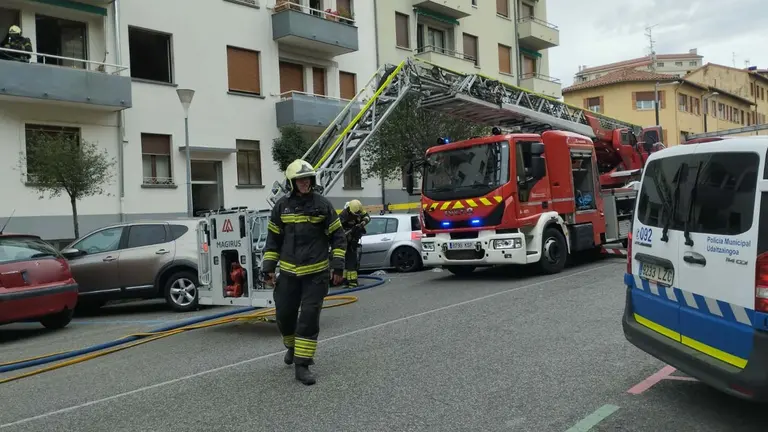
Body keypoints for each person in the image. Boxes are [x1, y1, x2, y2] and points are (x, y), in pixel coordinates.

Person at [262, 159, 347, 385]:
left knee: (308, 318)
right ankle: (292, 347)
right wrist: (268, 268)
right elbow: (273, 241)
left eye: (307, 179)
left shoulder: (323, 205)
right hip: (288, 274)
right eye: (300, 180)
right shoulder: (281, 207)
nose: (305, 183)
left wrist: (338, 266)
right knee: (284, 316)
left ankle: (302, 364)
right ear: (291, 182)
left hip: (316, 274)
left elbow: (338, 237)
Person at [338, 199, 370, 288]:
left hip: (354, 239)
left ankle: (346, 282)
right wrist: (348, 233)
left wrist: (363, 222)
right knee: (351, 261)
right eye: (355, 214)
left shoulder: (359, 210)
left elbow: (367, 217)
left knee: (349, 261)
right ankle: (352, 282)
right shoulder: (343, 215)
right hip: (346, 241)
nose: (357, 216)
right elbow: (338, 230)